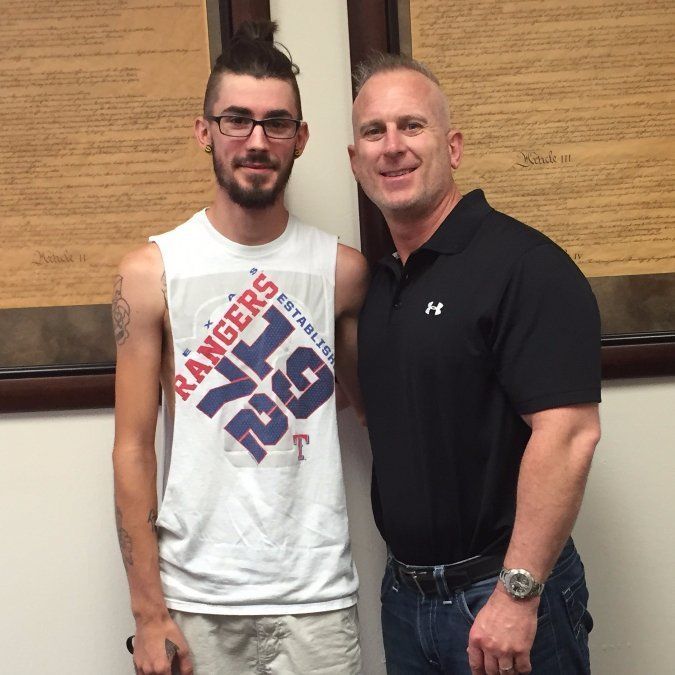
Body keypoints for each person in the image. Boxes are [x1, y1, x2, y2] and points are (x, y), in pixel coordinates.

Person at [112, 21, 368, 675]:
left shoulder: (341, 272)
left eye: (276, 123)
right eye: (236, 120)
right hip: (196, 602)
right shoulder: (150, 272)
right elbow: (133, 445)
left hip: (316, 601)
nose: (256, 140)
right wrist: (148, 614)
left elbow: (377, 413)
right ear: (205, 131)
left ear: (300, 138)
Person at [349, 53, 601, 675]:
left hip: (502, 600)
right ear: (354, 161)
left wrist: (517, 596)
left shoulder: (525, 267)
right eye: (373, 132)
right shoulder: (381, 286)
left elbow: (569, 434)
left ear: (453, 146)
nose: (392, 147)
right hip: (405, 602)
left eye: (412, 126)